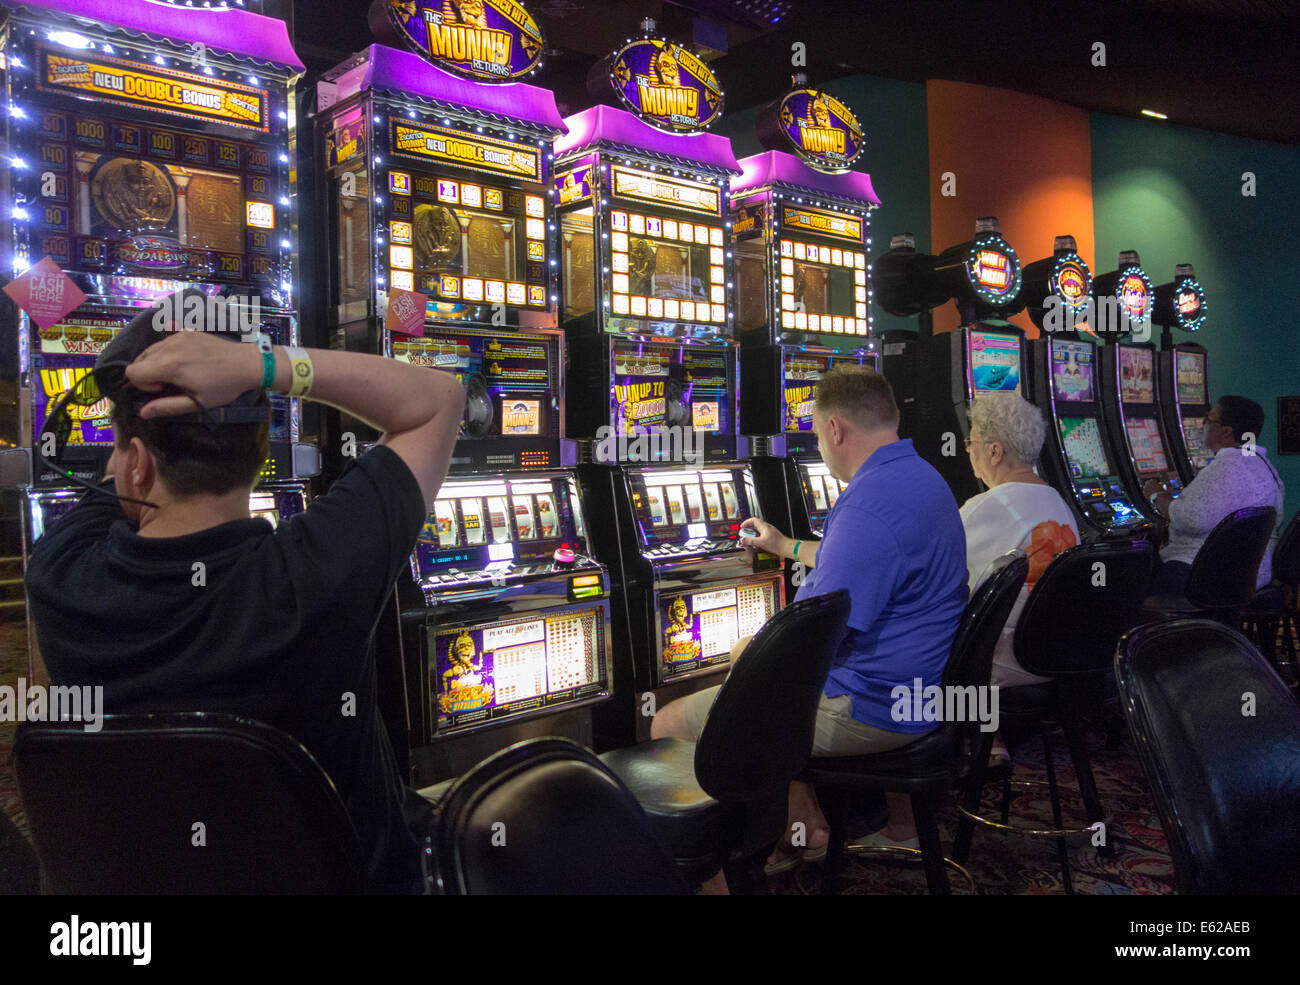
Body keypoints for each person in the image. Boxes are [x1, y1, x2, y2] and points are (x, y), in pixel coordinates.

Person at [25, 290, 465, 893]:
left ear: (134, 466)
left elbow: (117, 478)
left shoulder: (60, 575)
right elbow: (440, 399)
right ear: (263, 454)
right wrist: (263, 367)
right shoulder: (314, 575)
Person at [650, 365, 968, 879]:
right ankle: (805, 824)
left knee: (673, 718)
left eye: (817, 435)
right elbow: (866, 559)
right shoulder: (921, 476)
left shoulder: (867, 504)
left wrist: (748, 652)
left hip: (872, 708)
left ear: (837, 429)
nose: (818, 447)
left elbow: (809, 642)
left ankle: (717, 873)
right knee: (756, 672)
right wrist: (783, 546)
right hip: (921, 689)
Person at [960, 394, 1080, 691]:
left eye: (970, 442)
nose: (967, 450)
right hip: (1060, 652)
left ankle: (970, 732)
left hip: (1006, 660)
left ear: (995, 451)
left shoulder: (983, 508)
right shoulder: (1058, 502)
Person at [1144, 395, 1286, 595]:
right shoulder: (1260, 463)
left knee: (1130, 578)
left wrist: (1156, 495)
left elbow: (1192, 519)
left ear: (1226, 431)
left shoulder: (1227, 466)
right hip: (1250, 571)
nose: (1203, 424)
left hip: (1208, 573)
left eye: (1209, 420)